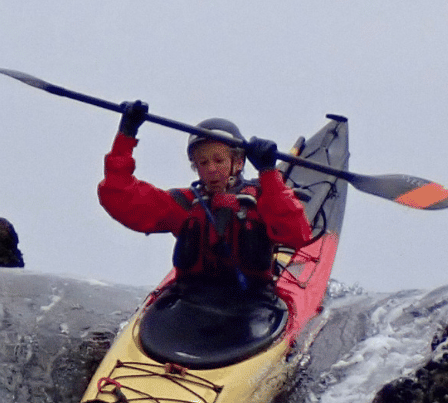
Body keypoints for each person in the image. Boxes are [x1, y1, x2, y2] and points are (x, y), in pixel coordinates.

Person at [98, 100, 312, 291]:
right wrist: (126, 135)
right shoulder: (184, 204)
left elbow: (296, 235)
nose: (211, 169)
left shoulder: (263, 198)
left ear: (237, 163)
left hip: (252, 304)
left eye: (218, 160)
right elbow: (118, 195)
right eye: (203, 162)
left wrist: (268, 172)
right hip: (191, 302)